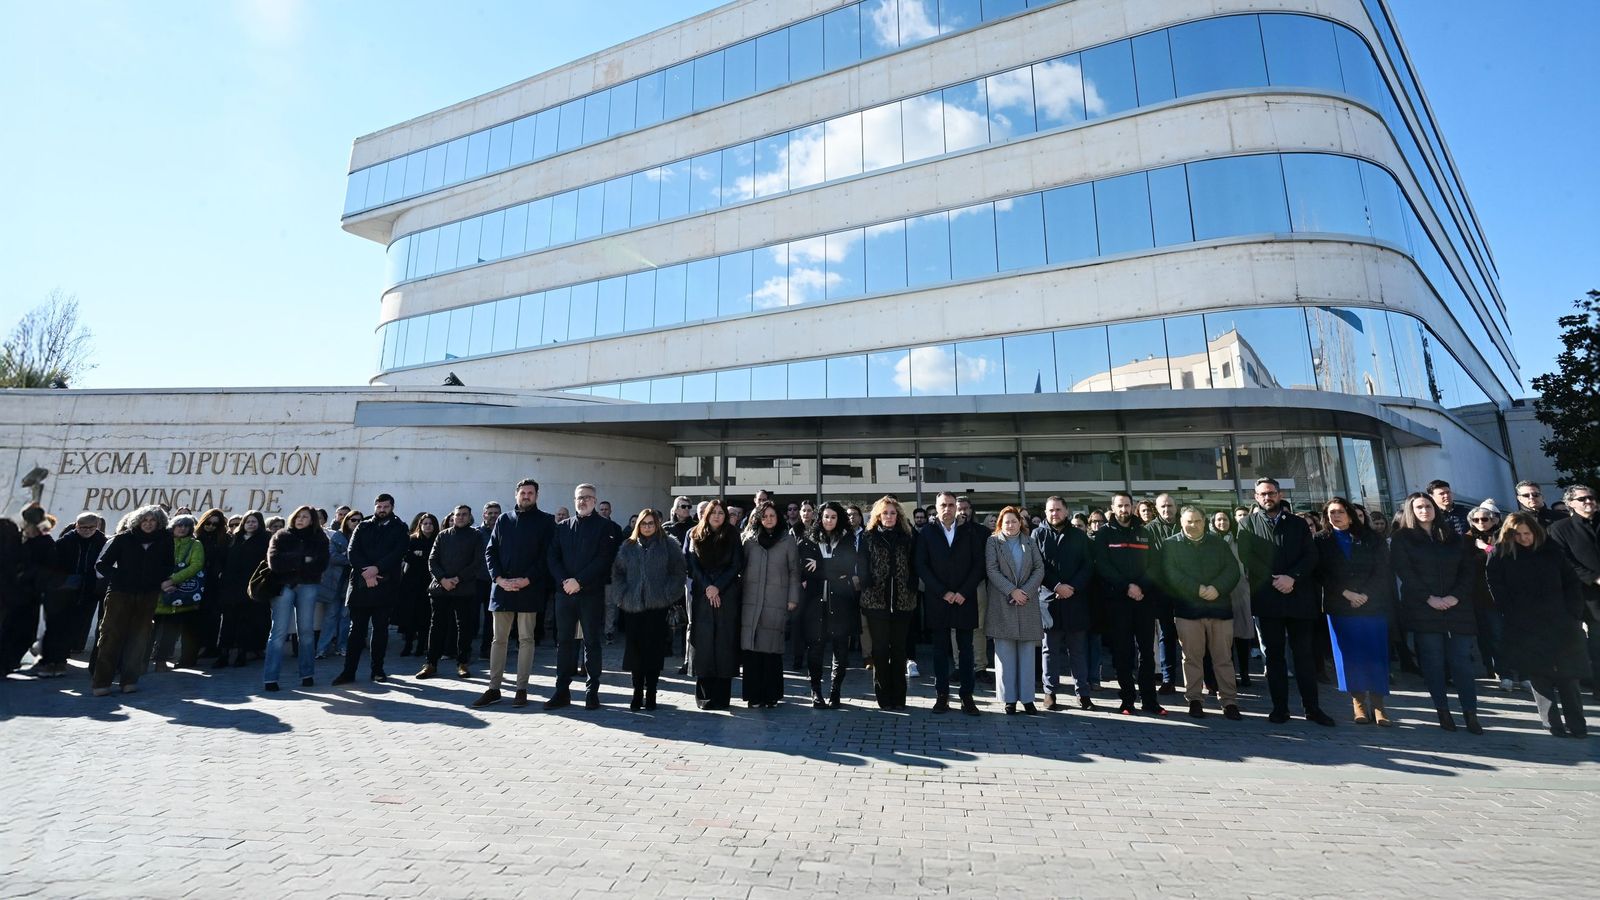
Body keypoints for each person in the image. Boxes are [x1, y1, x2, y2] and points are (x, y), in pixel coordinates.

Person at [1238, 478, 1332, 726]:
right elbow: (1248, 557)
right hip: (1268, 600)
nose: (1267, 497)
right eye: (1262, 494)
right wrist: (1275, 579)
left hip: (1299, 598)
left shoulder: (1298, 524)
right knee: (1275, 658)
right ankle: (1280, 708)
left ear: (1279, 494)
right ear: (1255, 497)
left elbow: (1310, 556)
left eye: (1271, 493)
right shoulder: (1247, 524)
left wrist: (1292, 577)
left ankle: (1312, 708)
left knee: (1303, 657)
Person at [1488, 513, 1589, 737]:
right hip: (1525, 624)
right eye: (1518, 535)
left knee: (1568, 676)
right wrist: (1512, 612)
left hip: (1560, 621)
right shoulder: (1501, 556)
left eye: (1528, 533)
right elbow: (1496, 587)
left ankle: (1577, 725)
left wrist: (1574, 613)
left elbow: (1571, 583)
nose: (1524, 539)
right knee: (1538, 675)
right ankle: (1552, 723)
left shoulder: (1552, 551)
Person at [1390, 491, 1480, 733]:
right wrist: (1429, 598)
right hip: (1423, 609)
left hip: (1456, 608)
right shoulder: (1402, 538)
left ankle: (1470, 713)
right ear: (1411, 510)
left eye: (1428, 506)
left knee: (1462, 662)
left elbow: (1467, 571)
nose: (1424, 510)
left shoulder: (1453, 537)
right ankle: (1443, 712)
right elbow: (1405, 573)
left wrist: (1454, 597)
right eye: (1418, 507)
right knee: (1433, 663)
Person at [474, 480, 555, 707]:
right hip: (502, 588)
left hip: (530, 588)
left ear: (537, 495)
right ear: (516, 494)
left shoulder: (547, 521)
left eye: (530, 493)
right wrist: (499, 579)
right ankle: (494, 688)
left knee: (526, 640)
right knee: (498, 640)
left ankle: (521, 689)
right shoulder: (503, 519)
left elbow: (547, 557)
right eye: (523, 493)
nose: (526, 496)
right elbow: (491, 552)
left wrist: (527, 579)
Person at [1315, 498, 1393, 726]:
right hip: (1340, 606)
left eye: (1339, 512)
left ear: (1350, 514)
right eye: (1330, 513)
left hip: (1372, 605)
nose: (1335, 516)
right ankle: (1358, 705)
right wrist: (1345, 593)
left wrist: (1365, 594)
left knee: (1374, 655)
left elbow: (1382, 570)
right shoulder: (1320, 540)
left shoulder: (1372, 538)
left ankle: (1379, 707)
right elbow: (1320, 573)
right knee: (1350, 657)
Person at [1160, 506, 1242, 720]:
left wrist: (1217, 588)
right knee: (1192, 659)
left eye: (1197, 521)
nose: (1193, 525)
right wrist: (1197, 589)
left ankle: (1229, 701)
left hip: (1220, 609)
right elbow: (1170, 573)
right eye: (1189, 521)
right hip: (1188, 612)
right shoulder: (1171, 545)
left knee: (1223, 659)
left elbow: (1232, 570)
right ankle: (1195, 700)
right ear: (1181, 522)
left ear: (1205, 522)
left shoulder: (1218, 543)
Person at [546, 483, 620, 709]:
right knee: (564, 643)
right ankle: (562, 691)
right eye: (579, 497)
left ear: (595, 501)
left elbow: (604, 559)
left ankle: (592, 691)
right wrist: (565, 581)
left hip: (591, 593)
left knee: (592, 642)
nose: (583, 501)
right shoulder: (561, 527)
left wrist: (579, 581)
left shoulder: (608, 528)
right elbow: (552, 557)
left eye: (587, 497)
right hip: (564, 593)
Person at [89, 505, 174, 696]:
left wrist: (156, 579)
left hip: (147, 596)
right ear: (138, 521)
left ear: (159, 522)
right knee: (111, 637)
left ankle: (129, 681)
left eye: (152, 520)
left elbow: (169, 565)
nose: (148, 524)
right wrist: (119, 577)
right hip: (120, 594)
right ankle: (101, 682)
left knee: (139, 639)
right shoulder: (123, 538)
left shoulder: (165, 540)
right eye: (144, 520)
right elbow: (102, 564)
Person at [916, 491, 986, 716]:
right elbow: (921, 565)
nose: (947, 509)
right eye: (943, 505)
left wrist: (963, 592)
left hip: (965, 598)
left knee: (966, 649)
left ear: (957, 507)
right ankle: (942, 695)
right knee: (939, 650)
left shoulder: (970, 532)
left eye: (951, 505)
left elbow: (979, 565)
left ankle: (967, 696)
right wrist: (943, 592)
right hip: (938, 599)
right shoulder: (926, 533)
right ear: (936, 508)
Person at [610, 508, 687, 710]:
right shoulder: (628, 546)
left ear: (657, 524)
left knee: (654, 651)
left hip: (657, 607)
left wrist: (667, 595)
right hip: (633, 607)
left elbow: (679, 572)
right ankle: (637, 692)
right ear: (638, 525)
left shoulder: (668, 545)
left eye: (651, 523)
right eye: (644, 523)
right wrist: (623, 595)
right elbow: (617, 573)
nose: (647, 527)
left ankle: (651, 692)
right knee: (635, 651)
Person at [1094, 493, 1162, 716]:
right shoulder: (1104, 533)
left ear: (1133, 507)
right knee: (1123, 653)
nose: (1124, 509)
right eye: (1119, 506)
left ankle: (1150, 700)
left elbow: (1155, 564)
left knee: (1147, 653)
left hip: (1144, 600)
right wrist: (1127, 587)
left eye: (1127, 505)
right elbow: (1103, 566)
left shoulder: (1146, 532)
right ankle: (1127, 700)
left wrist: (1141, 586)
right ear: (1112, 508)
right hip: (1118, 602)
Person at [334, 494, 408, 685]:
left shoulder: (400, 528)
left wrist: (377, 569)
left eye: (385, 506)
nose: (381, 509)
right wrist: (366, 572)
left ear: (392, 507)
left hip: (385, 585)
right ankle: (348, 672)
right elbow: (352, 551)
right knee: (356, 631)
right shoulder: (363, 525)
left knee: (380, 630)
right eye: (379, 506)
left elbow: (397, 552)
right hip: (361, 585)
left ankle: (377, 670)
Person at [1034, 496, 1094, 711]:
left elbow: (1087, 566)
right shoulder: (1037, 534)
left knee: (1077, 650)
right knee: (1049, 650)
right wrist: (1057, 586)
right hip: (1048, 601)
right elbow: (1037, 566)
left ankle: (1083, 694)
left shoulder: (1079, 536)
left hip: (1075, 600)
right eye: (1050, 510)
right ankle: (1050, 693)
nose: (1054, 514)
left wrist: (1072, 588)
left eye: (1058, 510)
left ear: (1066, 511)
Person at [737, 501, 798, 708]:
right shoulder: (748, 540)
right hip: (750, 601)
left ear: (778, 517)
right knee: (752, 650)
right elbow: (740, 569)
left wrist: (792, 598)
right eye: (765, 516)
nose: (769, 519)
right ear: (758, 518)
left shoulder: (787, 540)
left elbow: (794, 571)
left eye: (772, 515)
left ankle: (771, 695)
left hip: (776, 600)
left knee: (771, 650)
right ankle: (754, 696)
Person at [858, 496, 917, 710]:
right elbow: (861, 563)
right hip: (876, 602)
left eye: (893, 513)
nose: (889, 517)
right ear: (878, 516)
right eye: (885, 513)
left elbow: (915, 564)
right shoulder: (868, 537)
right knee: (880, 650)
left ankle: (899, 697)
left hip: (903, 601)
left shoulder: (908, 536)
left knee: (899, 651)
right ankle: (884, 697)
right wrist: (868, 583)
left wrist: (910, 584)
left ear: (898, 515)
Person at [985, 506, 1045, 715]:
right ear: (1001, 523)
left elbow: (1039, 568)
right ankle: (1009, 699)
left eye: (1014, 521)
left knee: (1027, 653)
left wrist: (1025, 592)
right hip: (1004, 602)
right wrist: (1012, 591)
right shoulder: (993, 542)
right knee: (1005, 653)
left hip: (1026, 603)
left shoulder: (1030, 542)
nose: (1010, 525)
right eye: (1006, 521)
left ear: (1020, 522)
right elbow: (991, 569)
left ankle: (1028, 699)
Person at [800, 501, 859, 708]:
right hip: (815, 604)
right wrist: (833, 569)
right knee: (815, 649)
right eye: (826, 516)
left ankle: (835, 692)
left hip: (841, 603)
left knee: (840, 651)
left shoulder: (847, 539)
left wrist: (822, 565)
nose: (829, 520)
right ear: (820, 518)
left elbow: (848, 566)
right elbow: (806, 568)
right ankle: (816, 692)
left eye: (833, 517)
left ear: (839, 519)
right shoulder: (809, 539)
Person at [263, 505, 329, 691]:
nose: (300, 519)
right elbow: (275, 563)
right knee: (278, 632)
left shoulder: (319, 537)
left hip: (308, 585)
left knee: (306, 631)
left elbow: (321, 564)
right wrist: (303, 559)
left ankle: (307, 674)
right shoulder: (282, 535)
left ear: (312, 520)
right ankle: (270, 677)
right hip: (284, 585)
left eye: (305, 517)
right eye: (298, 516)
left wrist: (292, 561)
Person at [685, 500, 744, 709]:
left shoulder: (733, 535)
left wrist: (718, 587)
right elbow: (691, 564)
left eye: (721, 513)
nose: (717, 516)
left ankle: (721, 697)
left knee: (724, 644)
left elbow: (736, 564)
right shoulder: (695, 534)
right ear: (706, 515)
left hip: (726, 594)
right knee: (704, 645)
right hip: (703, 594)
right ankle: (704, 697)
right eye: (713, 513)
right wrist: (708, 587)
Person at [35, 513, 106, 677]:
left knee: (72, 629)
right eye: (83, 527)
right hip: (62, 591)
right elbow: (53, 566)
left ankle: (60, 662)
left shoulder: (101, 542)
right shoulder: (65, 542)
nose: (87, 531)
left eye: (91, 527)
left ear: (97, 526)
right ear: (77, 525)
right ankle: (49, 662)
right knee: (55, 627)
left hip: (87, 592)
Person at [422, 505, 487, 683]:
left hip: (464, 589)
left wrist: (457, 579)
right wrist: (443, 579)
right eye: (457, 515)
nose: (460, 517)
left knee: (464, 627)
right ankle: (431, 663)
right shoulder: (443, 535)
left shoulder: (476, 535)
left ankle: (462, 663)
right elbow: (432, 560)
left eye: (464, 515)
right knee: (436, 627)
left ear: (470, 517)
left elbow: (477, 562)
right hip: (441, 589)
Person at [1548, 485, 1600, 696]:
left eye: (1592, 497)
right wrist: (1594, 578)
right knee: (1596, 641)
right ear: (1570, 503)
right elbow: (1563, 561)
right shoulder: (1559, 528)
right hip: (1586, 594)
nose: (1589, 501)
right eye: (1583, 499)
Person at [150, 514, 206, 671]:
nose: (182, 529)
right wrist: (161, 582)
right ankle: (141, 661)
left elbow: (196, 565)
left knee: (170, 631)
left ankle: (161, 662)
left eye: (186, 526)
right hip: (158, 591)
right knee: (150, 629)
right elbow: (154, 562)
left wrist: (172, 580)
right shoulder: (163, 542)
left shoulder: (195, 544)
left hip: (179, 592)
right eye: (179, 525)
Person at [214, 511, 269, 669]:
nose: (251, 524)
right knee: (228, 622)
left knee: (245, 623)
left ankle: (241, 654)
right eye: (248, 521)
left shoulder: (264, 539)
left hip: (250, 586)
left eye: (254, 521)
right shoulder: (234, 539)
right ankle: (223, 654)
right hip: (231, 586)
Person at [1209, 510, 1255, 687]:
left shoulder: (1238, 540)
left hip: (1239, 591)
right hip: (1219, 593)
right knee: (1222, 637)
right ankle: (1230, 673)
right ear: (1213, 522)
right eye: (1218, 519)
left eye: (1225, 519)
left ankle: (1245, 673)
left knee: (1242, 635)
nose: (1222, 522)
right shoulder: (1210, 542)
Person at [1464, 500, 1507, 690]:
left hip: (1500, 594)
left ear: (1493, 520)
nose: (1481, 522)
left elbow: (1506, 558)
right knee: (1484, 634)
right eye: (1477, 519)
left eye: (1485, 519)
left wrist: (1487, 548)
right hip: (1477, 594)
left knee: (1500, 633)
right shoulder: (1466, 540)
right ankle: (1492, 668)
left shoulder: (1503, 537)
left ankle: (1508, 670)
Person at [1148, 493, 1182, 695]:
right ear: (1157, 508)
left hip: (1188, 591)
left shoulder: (1186, 524)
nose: (1167, 509)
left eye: (1170, 505)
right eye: (1163, 506)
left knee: (1193, 635)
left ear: (1176, 507)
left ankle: (1204, 677)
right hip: (1162, 592)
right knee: (1167, 635)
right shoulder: (1150, 529)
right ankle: (1168, 678)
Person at [316, 510, 358, 659]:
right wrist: (351, 559)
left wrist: (347, 556)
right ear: (347, 521)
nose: (356, 522)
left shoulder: (362, 536)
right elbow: (333, 557)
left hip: (351, 582)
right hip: (334, 581)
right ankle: (322, 649)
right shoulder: (337, 536)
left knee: (345, 616)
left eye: (359, 520)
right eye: (353, 520)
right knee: (331, 616)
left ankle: (342, 646)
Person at [397, 512, 438, 658]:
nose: (428, 526)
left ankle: (421, 646)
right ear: (420, 525)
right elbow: (406, 555)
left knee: (425, 615)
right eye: (425, 523)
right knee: (410, 615)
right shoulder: (412, 540)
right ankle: (408, 645)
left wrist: (421, 555)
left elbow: (434, 559)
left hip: (429, 582)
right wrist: (417, 555)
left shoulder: (437, 540)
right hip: (412, 582)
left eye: (430, 523)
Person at [192, 508, 230, 663]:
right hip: (197, 580)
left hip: (215, 582)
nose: (211, 526)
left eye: (215, 524)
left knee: (213, 616)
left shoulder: (225, 540)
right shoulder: (196, 538)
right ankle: (196, 646)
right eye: (208, 523)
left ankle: (210, 646)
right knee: (196, 615)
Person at [476, 501, 502, 659]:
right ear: (484, 514)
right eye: (490, 513)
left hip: (495, 581)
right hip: (476, 580)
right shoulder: (476, 533)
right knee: (470, 618)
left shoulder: (504, 531)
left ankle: (486, 649)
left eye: (496, 513)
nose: (493, 516)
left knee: (490, 618)